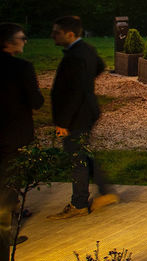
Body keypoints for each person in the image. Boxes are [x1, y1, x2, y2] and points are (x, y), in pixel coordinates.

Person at [47, 16, 118, 219]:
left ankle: (79, 203)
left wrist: (62, 121)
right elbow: (100, 66)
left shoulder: (74, 57)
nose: (53, 35)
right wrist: (87, 84)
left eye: (56, 32)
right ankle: (106, 192)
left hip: (77, 114)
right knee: (84, 152)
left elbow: (73, 92)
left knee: (77, 157)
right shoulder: (87, 49)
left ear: (70, 34)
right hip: (88, 109)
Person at [1, 22, 43, 243]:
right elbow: (36, 101)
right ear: (9, 42)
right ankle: (4, 234)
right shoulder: (22, 68)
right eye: (21, 37)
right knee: (9, 181)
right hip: (14, 133)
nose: (25, 41)